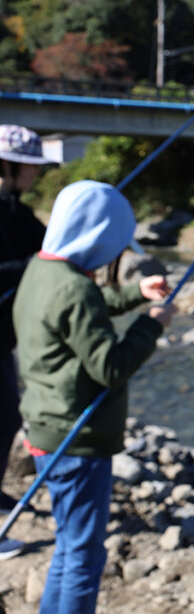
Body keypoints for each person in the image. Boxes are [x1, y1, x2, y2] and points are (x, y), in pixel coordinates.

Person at [13, 180, 175, 612]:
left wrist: (134, 295)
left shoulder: (42, 269)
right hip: (77, 441)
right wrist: (153, 324)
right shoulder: (74, 288)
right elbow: (112, 367)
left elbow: (80, 309)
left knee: (70, 547)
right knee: (84, 555)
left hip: (46, 429)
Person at [0, 125, 62, 560]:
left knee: (5, 418)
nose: (36, 176)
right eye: (31, 168)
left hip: (2, 338)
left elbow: (46, 244)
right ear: (9, 165)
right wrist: (33, 266)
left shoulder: (14, 210)